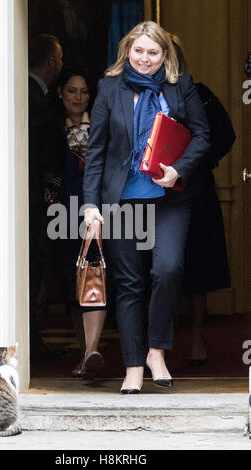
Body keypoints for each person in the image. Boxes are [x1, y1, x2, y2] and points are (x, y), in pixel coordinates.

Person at [82, 21, 211, 393]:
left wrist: (178, 170)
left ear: (164, 55)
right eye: (138, 51)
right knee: (129, 283)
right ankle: (134, 365)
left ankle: (157, 351)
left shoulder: (180, 86)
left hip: (170, 196)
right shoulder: (110, 88)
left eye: (153, 52)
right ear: (128, 51)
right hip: (122, 197)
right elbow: (96, 151)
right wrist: (90, 205)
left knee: (167, 270)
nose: (145, 58)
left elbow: (202, 135)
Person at [170, 34, 234, 365]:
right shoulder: (145, 96)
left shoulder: (201, 94)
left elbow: (226, 134)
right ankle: (157, 344)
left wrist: (197, 162)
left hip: (197, 189)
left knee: (199, 265)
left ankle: (197, 337)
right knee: (159, 269)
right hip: (155, 192)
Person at [54, 68, 107, 378]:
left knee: (94, 277)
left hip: (96, 209)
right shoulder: (50, 127)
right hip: (60, 212)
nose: (77, 97)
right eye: (72, 91)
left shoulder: (99, 125)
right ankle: (83, 352)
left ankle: (92, 351)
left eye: (84, 92)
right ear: (61, 93)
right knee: (72, 283)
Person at [28, 34, 65, 360]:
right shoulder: (34, 100)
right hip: (33, 200)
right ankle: (30, 341)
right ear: (52, 62)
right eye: (60, 59)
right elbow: (42, 157)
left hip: (34, 199)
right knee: (32, 267)